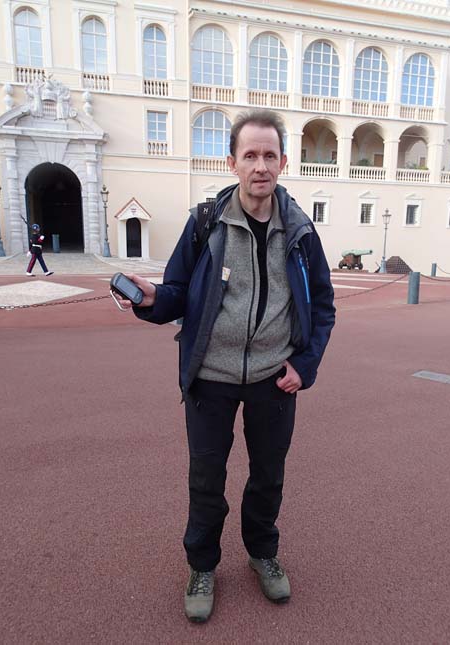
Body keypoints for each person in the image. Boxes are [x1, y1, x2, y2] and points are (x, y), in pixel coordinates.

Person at [120, 109, 335, 622]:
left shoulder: (301, 232)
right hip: (210, 377)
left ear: (283, 162)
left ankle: (263, 553)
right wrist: (152, 299)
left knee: (268, 476)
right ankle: (202, 566)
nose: (260, 166)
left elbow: (324, 306)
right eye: (250, 155)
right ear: (232, 162)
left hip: (273, 378)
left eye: (269, 155)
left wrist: (305, 364)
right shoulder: (206, 224)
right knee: (206, 479)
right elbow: (177, 291)